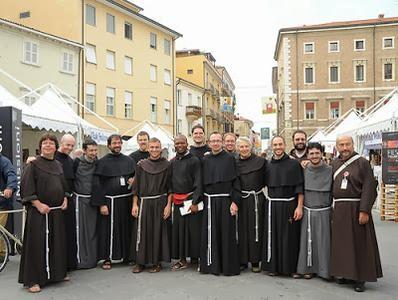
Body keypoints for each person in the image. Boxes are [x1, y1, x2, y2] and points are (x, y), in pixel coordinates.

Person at [331, 136, 382, 292]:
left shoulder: (362, 163)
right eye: (341, 145)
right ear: (337, 147)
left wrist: (364, 210)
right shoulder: (334, 163)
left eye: (347, 144)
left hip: (356, 208)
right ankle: (346, 273)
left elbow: (369, 186)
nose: (345, 147)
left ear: (353, 145)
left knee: (359, 244)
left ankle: (360, 278)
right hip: (339, 209)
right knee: (343, 244)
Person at [18, 133, 69, 293]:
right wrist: (37, 204)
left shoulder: (58, 165)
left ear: (55, 147)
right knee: (37, 245)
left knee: (56, 243)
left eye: (51, 143)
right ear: (40, 147)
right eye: (45, 143)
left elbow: (63, 185)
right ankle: (33, 280)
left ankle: (56, 274)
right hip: (39, 212)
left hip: (55, 213)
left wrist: (65, 198)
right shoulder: (33, 165)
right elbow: (26, 186)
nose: (48, 145)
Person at [91, 134, 135, 270]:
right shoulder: (102, 162)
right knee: (107, 231)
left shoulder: (128, 160)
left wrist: (134, 180)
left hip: (126, 201)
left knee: (126, 229)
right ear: (109, 145)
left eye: (119, 143)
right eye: (114, 143)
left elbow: (135, 176)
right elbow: (97, 184)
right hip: (109, 202)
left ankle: (127, 256)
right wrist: (102, 204)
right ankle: (107, 258)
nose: (117, 145)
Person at [262, 136, 304, 277]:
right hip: (272, 205)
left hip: (289, 205)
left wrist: (299, 207)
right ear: (272, 147)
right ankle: (273, 267)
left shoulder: (294, 164)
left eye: (280, 144)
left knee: (290, 237)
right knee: (272, 235)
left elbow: (299, 187)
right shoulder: (267, 165)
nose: (278, 147)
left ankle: (291, 268)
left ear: (285, 145)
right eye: (275, 145)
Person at [200, 132, 241, 276]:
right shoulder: (204, 160)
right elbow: (200, 183)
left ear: (222, 143)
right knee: (210, 234)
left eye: (218, 141)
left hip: (226, 201)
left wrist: (235, 202)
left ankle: (227, 267)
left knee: (227, 234)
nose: (216, 143)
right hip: (209, 202)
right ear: (209, 143)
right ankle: (211, 266)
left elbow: (236, 182)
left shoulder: (230, 159)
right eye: (213, 141)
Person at [131, 138, 172, 273]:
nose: (154, 150)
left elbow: (170, 188)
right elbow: (136, 186)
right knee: (141, 232)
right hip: (144, 203)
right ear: (148, 149)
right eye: (152, 147)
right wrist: (134, 204)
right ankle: (140, 262)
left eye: (157, 147)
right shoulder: (141, 164)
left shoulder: (167, 164)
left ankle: (156, 262)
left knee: (158, 232)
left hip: (160, 202)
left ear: (161, 148)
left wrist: (168, 206)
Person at [297, 142, 332, 279]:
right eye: (311, 153)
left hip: (325, 212)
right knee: (307, 242)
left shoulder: (330, 170)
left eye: (317, 153)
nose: (315, 156)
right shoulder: (303, 169)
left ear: (322, 154)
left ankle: (325, 271)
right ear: (307, 155)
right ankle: (307, 269)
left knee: (324, 243)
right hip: (308, 212)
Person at [170, 135, 202, 271]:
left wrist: (195, 202)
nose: (180, 145)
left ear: (187, 144)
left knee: (194, 231)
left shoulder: (194, 160)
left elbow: (199, 182)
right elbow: (170, 183)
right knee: (179, 232)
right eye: (177, 143)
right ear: (174, 145)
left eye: (182, 143)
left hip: (191, 200)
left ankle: (198, 259)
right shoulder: (172, 162)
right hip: (177, 202)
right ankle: (182, 259)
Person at [236, 137, 267, 273]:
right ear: (237, 149)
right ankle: (242, 260)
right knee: (241, 229)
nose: (244, 149)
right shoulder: (235, 163)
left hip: (257, 199)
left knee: (256, 229)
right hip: (241, 199)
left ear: (251, 147)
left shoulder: (261, 162)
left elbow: (268, 179)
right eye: (241, 147)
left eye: (246, 146)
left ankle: (255, 260)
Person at [72, 139, 98, 269]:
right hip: (79, 201)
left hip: (92, 201)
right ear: (84, 150)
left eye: (95, 150)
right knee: (80, 231)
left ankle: (92, 259)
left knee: (92, 230)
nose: (93, 153)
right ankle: (79, 260)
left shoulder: (98, 163)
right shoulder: (76, 162)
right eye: (91, 150)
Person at [55, 134, 77, 271]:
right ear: (61, 143)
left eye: (72, 146)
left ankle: (69, 263)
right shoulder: (54, 158)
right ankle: (59, 264)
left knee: (69, 232)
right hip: (57, 201)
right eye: (67, 144)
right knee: (59, 233)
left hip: (69, 200)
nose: (69, 148)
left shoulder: (70, 160)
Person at [0, 152, 17, 260]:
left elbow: (11, 175)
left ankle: (1, 253)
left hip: (2, 202)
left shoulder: (4, 162)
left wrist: (9, 188)